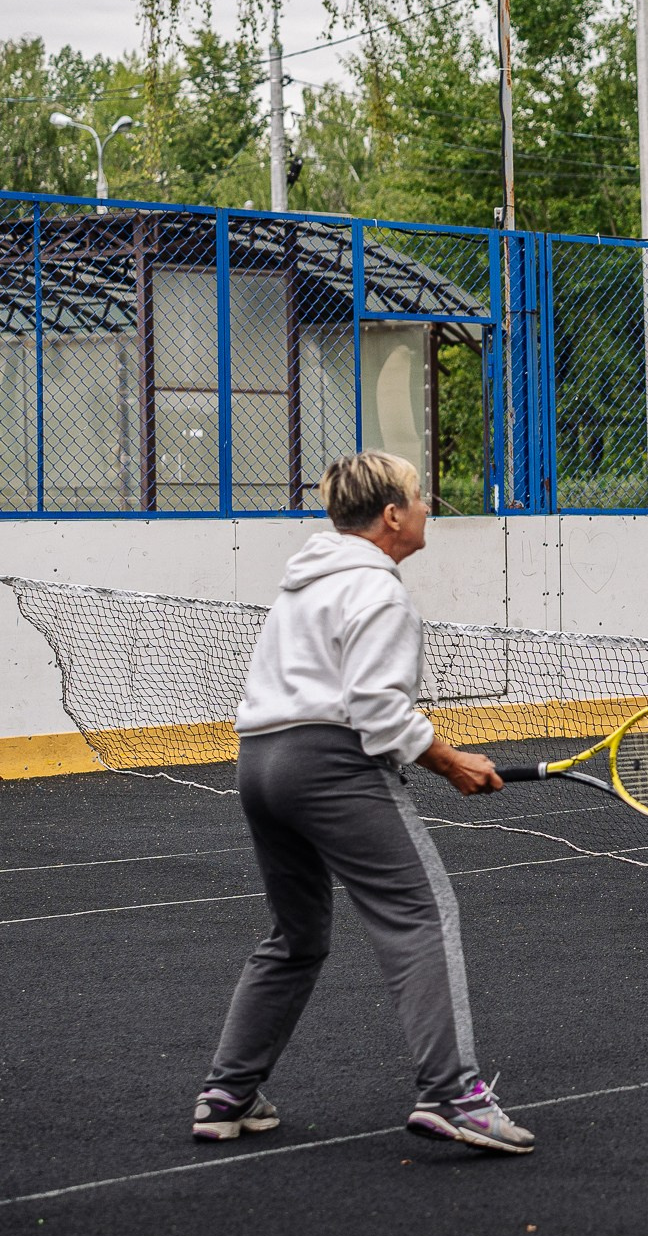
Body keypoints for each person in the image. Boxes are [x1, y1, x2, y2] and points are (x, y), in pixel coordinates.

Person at [190, 450, 535, 1154]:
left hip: (260, 766)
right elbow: (378, 711)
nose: (428, 506)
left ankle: (228, 1093)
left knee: (296, 936)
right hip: (330, 767)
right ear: (392, 515)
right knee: (421, 915)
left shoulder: (302, 585)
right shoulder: (379, 591)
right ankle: (454, 1096)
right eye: (420, 496)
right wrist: (450, 762)